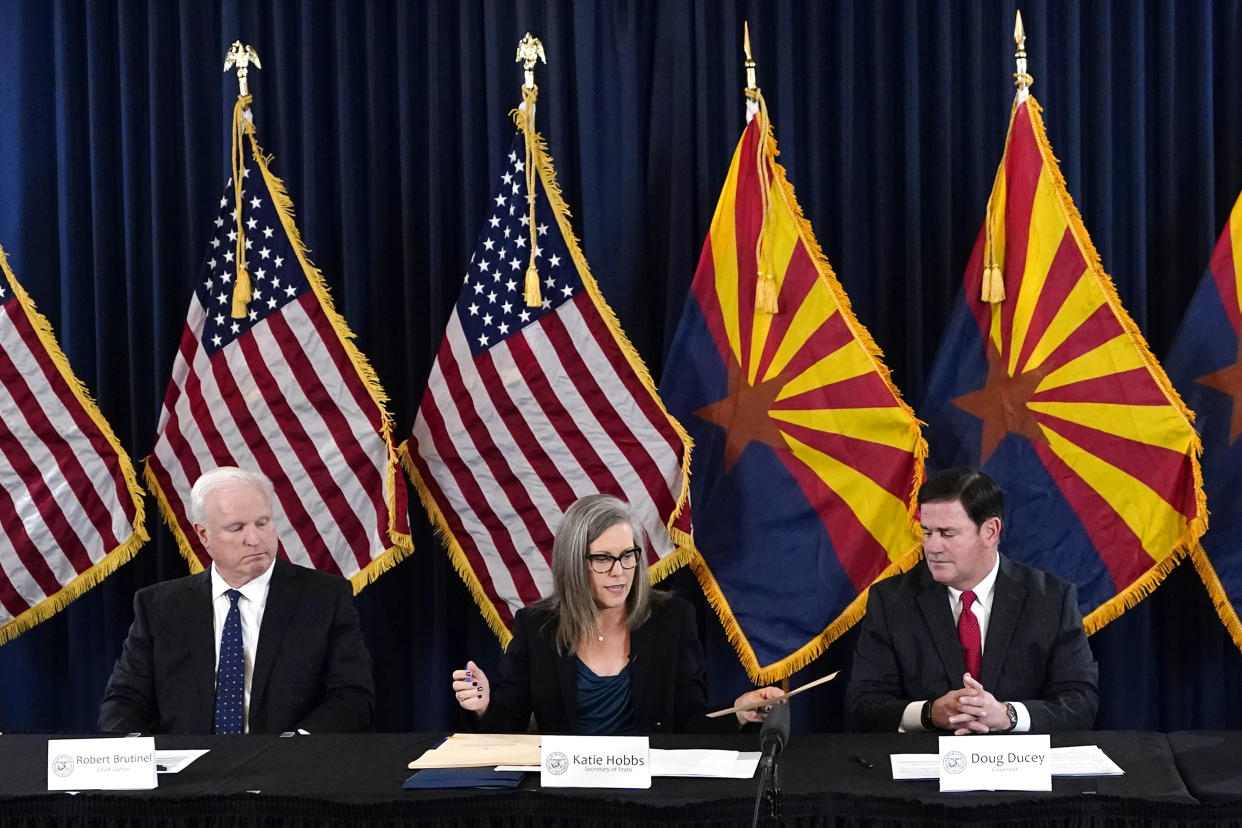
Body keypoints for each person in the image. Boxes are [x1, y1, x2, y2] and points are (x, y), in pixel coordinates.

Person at [451, 494, 783, 733]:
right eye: (603, 559)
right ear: (573, 564)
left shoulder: (672, 619)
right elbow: (508, 728)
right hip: (566, 796)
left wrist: (739, 711)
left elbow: (688, 723)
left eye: (628, 555)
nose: (619, 571)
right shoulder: (537, 626)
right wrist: (483, 708)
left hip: (649, 797)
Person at [99, 467, 374, 734]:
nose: (254, 539)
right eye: (237, 528)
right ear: (203, 535)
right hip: (188, 773)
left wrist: (297, 745)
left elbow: (351, 696)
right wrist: (133, 753)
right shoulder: (159, 606)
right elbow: (124, 700)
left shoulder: (324, 598)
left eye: (262, 523)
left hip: (288, 767)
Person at [845, 466, 1098, 734]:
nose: (932, 547)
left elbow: (1080, 702)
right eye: (927, 532)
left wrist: (1007, 715)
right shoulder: (891, 600)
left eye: (947, 534)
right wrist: (928, 712)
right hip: (927, 765)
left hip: (1019, 766)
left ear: (990, 532)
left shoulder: (1051, 600)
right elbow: (863, 704)